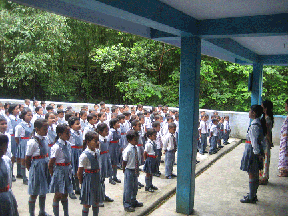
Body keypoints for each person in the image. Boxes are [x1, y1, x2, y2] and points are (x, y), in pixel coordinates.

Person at [240, 105, 265, 203]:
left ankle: (251, 196)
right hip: (254, 151)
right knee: (254, 174)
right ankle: (252, 194)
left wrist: (257, 154)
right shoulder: (258, 123)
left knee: (252, 174)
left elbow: (254, 142)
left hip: (252, 152)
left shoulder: (254, 126)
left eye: (250, 111)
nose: (249, 112)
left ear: (254, 113)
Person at [25, 119, 51, 216]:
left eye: (47, 129)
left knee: (43, 190)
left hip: (44, 165)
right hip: (37, 167)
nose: (46, 131)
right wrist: (31, 169)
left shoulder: (45, 138)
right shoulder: (32, 142)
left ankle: (42, 211)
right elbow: (27, 158)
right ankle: (32, 213)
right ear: (37, 129)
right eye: (44, 129)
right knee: (35, 191)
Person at [48, 124, 73, 216]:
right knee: (58, 194)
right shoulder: (56, 147)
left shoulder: (68, 144)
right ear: (60, 134)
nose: (69, 135)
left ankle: (66, 213)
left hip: (67, 170)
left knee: (65, 193)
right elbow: (51, 164)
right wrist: (53, 175)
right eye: (67, 133)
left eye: (69, 133)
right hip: (59, 171)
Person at [78, 131, 101, 216]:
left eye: (98, 140)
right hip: (88, 179)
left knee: (96, 201)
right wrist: (81, 182)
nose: (97, 142)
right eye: (95, 141)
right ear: (88, 142)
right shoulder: (84, 155)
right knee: (87, 202)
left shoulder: (97, 152)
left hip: (96, 178)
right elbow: (79, 171)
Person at [122, 130, 143, 212]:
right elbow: (124, 161)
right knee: (128, 188)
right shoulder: (128, 149)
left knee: (135, 187)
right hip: (129, 170)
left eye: (137, 139)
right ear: (129, 140)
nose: (136, 141)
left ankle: (133, 201)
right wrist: (124, 170)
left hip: (135, 169)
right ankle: (127, 204)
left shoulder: (136, 147)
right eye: (135, 140)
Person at [0, 134, 19, 216]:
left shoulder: (6, 160)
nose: (5, 149)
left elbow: (9, 180)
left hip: (6, 195)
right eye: (3, 146)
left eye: (6, 146)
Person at [15, 108, 34, 185]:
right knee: (23, 159)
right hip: (23, 142)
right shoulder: (20, 126)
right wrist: (21, 143)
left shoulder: (32, 125)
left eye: (31, 115)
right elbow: (16, 137)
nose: (30, 117)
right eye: (28, 115)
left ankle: (31, 176)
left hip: (31, 142)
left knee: (31, 159)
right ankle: (24, 177)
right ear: (23, 116)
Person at [97, 123, 114, 207]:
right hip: (101, 160)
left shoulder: (105, 139)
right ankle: (98, 198)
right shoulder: (98, 141)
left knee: (103, 179)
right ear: (100, 132)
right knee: (99, 179)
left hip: (106, 158)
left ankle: (103, 195)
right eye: (105, 131)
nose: (107, 132)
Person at [259, 100, 274, 184]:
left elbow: (268, 132)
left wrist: (270, 142)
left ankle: (263, 178)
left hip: (264, 141)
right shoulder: (266, 117)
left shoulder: (267, 118)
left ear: (265, 108)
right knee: (264, 158)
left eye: (262, 106)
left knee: (264, 159)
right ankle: (263, 177)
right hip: (264, 141)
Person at [68, 116, 83, 196]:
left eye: (79, 123)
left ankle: (77, 188)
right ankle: (70, 190)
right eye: (77, 124)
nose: (79, 125)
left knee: (78, 170)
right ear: (71, 126)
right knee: (72, 170)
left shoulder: (80, 132)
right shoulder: (70, 133)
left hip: (79, 152)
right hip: (72, 152)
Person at [8, 104, 20, 181]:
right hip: (12, 137)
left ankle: (18, 173)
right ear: (12, 110)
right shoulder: (9, 119)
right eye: (16, 109)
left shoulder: (17, 119)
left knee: (16, 154)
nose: (18, 110)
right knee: (12, 155)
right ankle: (10, 173)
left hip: (17, 137)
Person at [108, 118, 121, 185]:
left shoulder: (117, 131)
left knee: (115, 163)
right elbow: (108, 141)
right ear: (113, 125)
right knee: (112, 163)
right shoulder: (111, 132)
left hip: (116, 147)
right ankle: (110, 178)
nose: (119, 124)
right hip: (112, 147)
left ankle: (115, 176)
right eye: (117, 123)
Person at [278, 99, 288, 177]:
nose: (285, 107)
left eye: (286, 105)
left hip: (286, 140)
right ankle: (284, 171)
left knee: (285, 155)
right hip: (284, 140)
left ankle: (285, 171)